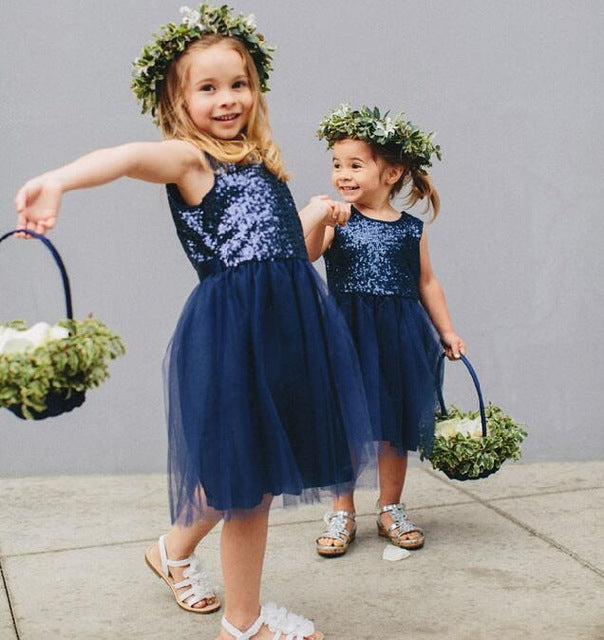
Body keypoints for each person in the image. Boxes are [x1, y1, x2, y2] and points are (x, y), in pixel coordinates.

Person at [14, 7, 374, 639]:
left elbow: (290, 255)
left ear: (255, 88)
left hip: (289, 328)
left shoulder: (264, 164)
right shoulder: (190, 161)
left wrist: (316, 216)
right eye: (206, 88)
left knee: (239, 466)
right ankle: (244, 624)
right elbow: (128, 157)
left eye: (237, 83)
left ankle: (170, 551)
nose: (226, 99)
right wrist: (58, 180)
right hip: (235, 335)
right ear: (177, 100)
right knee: (249, 485)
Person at [300, 104, 466, 557]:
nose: (343, 174)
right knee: (346, 422)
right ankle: (342, 510)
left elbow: (426, 281)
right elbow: (307, 255)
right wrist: (319, 218)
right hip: (347, 334)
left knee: (395, 426)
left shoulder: (412, 229)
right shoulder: (340, 220)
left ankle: (391, 506)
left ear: (391, 172)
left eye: (355, 165)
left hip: (399, 336)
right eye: (337, 165)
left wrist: (447, 331)